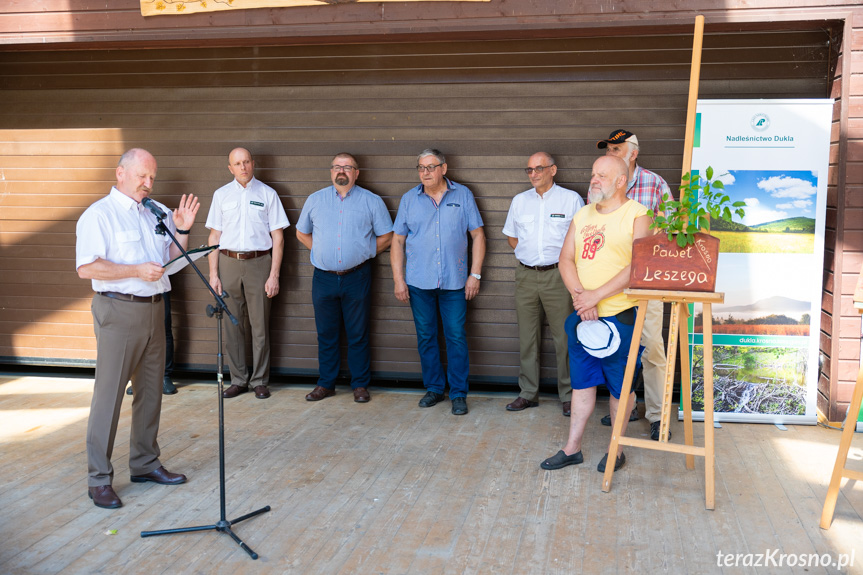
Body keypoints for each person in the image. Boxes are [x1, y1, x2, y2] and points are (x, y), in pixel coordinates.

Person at [76, 148, 198, 509]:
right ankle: (98, 479)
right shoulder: (99, 215)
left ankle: (144, 464)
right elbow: (86, 268)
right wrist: (134, 271)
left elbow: (171, 263)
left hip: (154, 309)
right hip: (118, 310)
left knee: (151, 392)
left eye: (152, 178)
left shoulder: (157, 212)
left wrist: (186, 229)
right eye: (142, 176)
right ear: (120, 173)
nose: (148, 184)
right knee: (109, 396)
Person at [540, 155, 651, 473]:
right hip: (582, 316)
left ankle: (615, 450)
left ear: (620, 181)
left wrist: (595, 298)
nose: (594, 179)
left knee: (621, 388)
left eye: (601, 175)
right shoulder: (583, 214)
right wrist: (580, 299)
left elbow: (637, 266)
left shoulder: (638, 214)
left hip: (619, 317)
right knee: (582, 385)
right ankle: (572, 448)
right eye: (592, 174)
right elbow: (566, 260)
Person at [391, 149, 485, 416]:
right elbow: (397, 241)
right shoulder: (409, 199)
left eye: (431, 167)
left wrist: (474, 274)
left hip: (455, 282)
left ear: (444, 168)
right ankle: (434, 388)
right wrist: (399, 279)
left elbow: (478, 236)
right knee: (426, 336)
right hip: (419, 283)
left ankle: (458, 393)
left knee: (456, 336)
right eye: (421, 167)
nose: (425, 172)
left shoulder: (463, 195)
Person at [296, 153, 393, 403]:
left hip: (357, 276)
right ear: (331, 172)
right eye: (338, 167)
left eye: (348, 167)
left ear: (356, 173)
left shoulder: (372, 201)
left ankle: (359, 385)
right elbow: (301, 232)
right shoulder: (315, 200)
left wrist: (366, 252)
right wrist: (320, 252)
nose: (342, 171)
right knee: (326, 334)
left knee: (358, 333)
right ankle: (326, 384)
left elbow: (387, 236)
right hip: (323, 278)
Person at [597, 129, 670, 440]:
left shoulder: (655, 184)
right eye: (609, 150)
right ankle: (626, 406)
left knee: (652, 347)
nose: (611, 153)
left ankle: (658, 416)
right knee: (618, 348)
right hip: (612, 283)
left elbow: (669, 234)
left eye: (616, 149)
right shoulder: (599, 186)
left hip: (646, 281)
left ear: (633, 153)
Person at [502, 152, 584, 417]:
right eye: (529, 170)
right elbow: (512, 238)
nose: (533, 174)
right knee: (527, 337)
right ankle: (528, 394)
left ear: (553, 170)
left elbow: (581, 241)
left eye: (539, 168)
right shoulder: (519, 201)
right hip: (526, 275)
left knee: (564, 338)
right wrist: (530, 257)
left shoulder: (571, 199)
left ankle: (569, 396)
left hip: (558, 276)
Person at [206, 148, 290, 400]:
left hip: (259, 262)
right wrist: (213, 274)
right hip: (228, 263)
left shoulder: (268, 194)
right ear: (229, 168)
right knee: (233, 325)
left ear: (253, 164)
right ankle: (238, 379)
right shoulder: (221, 195)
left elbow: (278, 237)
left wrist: (274, 275)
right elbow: (214, 237)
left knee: (260, 325)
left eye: (246, 162)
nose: (242, 167)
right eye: (236, 164)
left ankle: (260, 380)